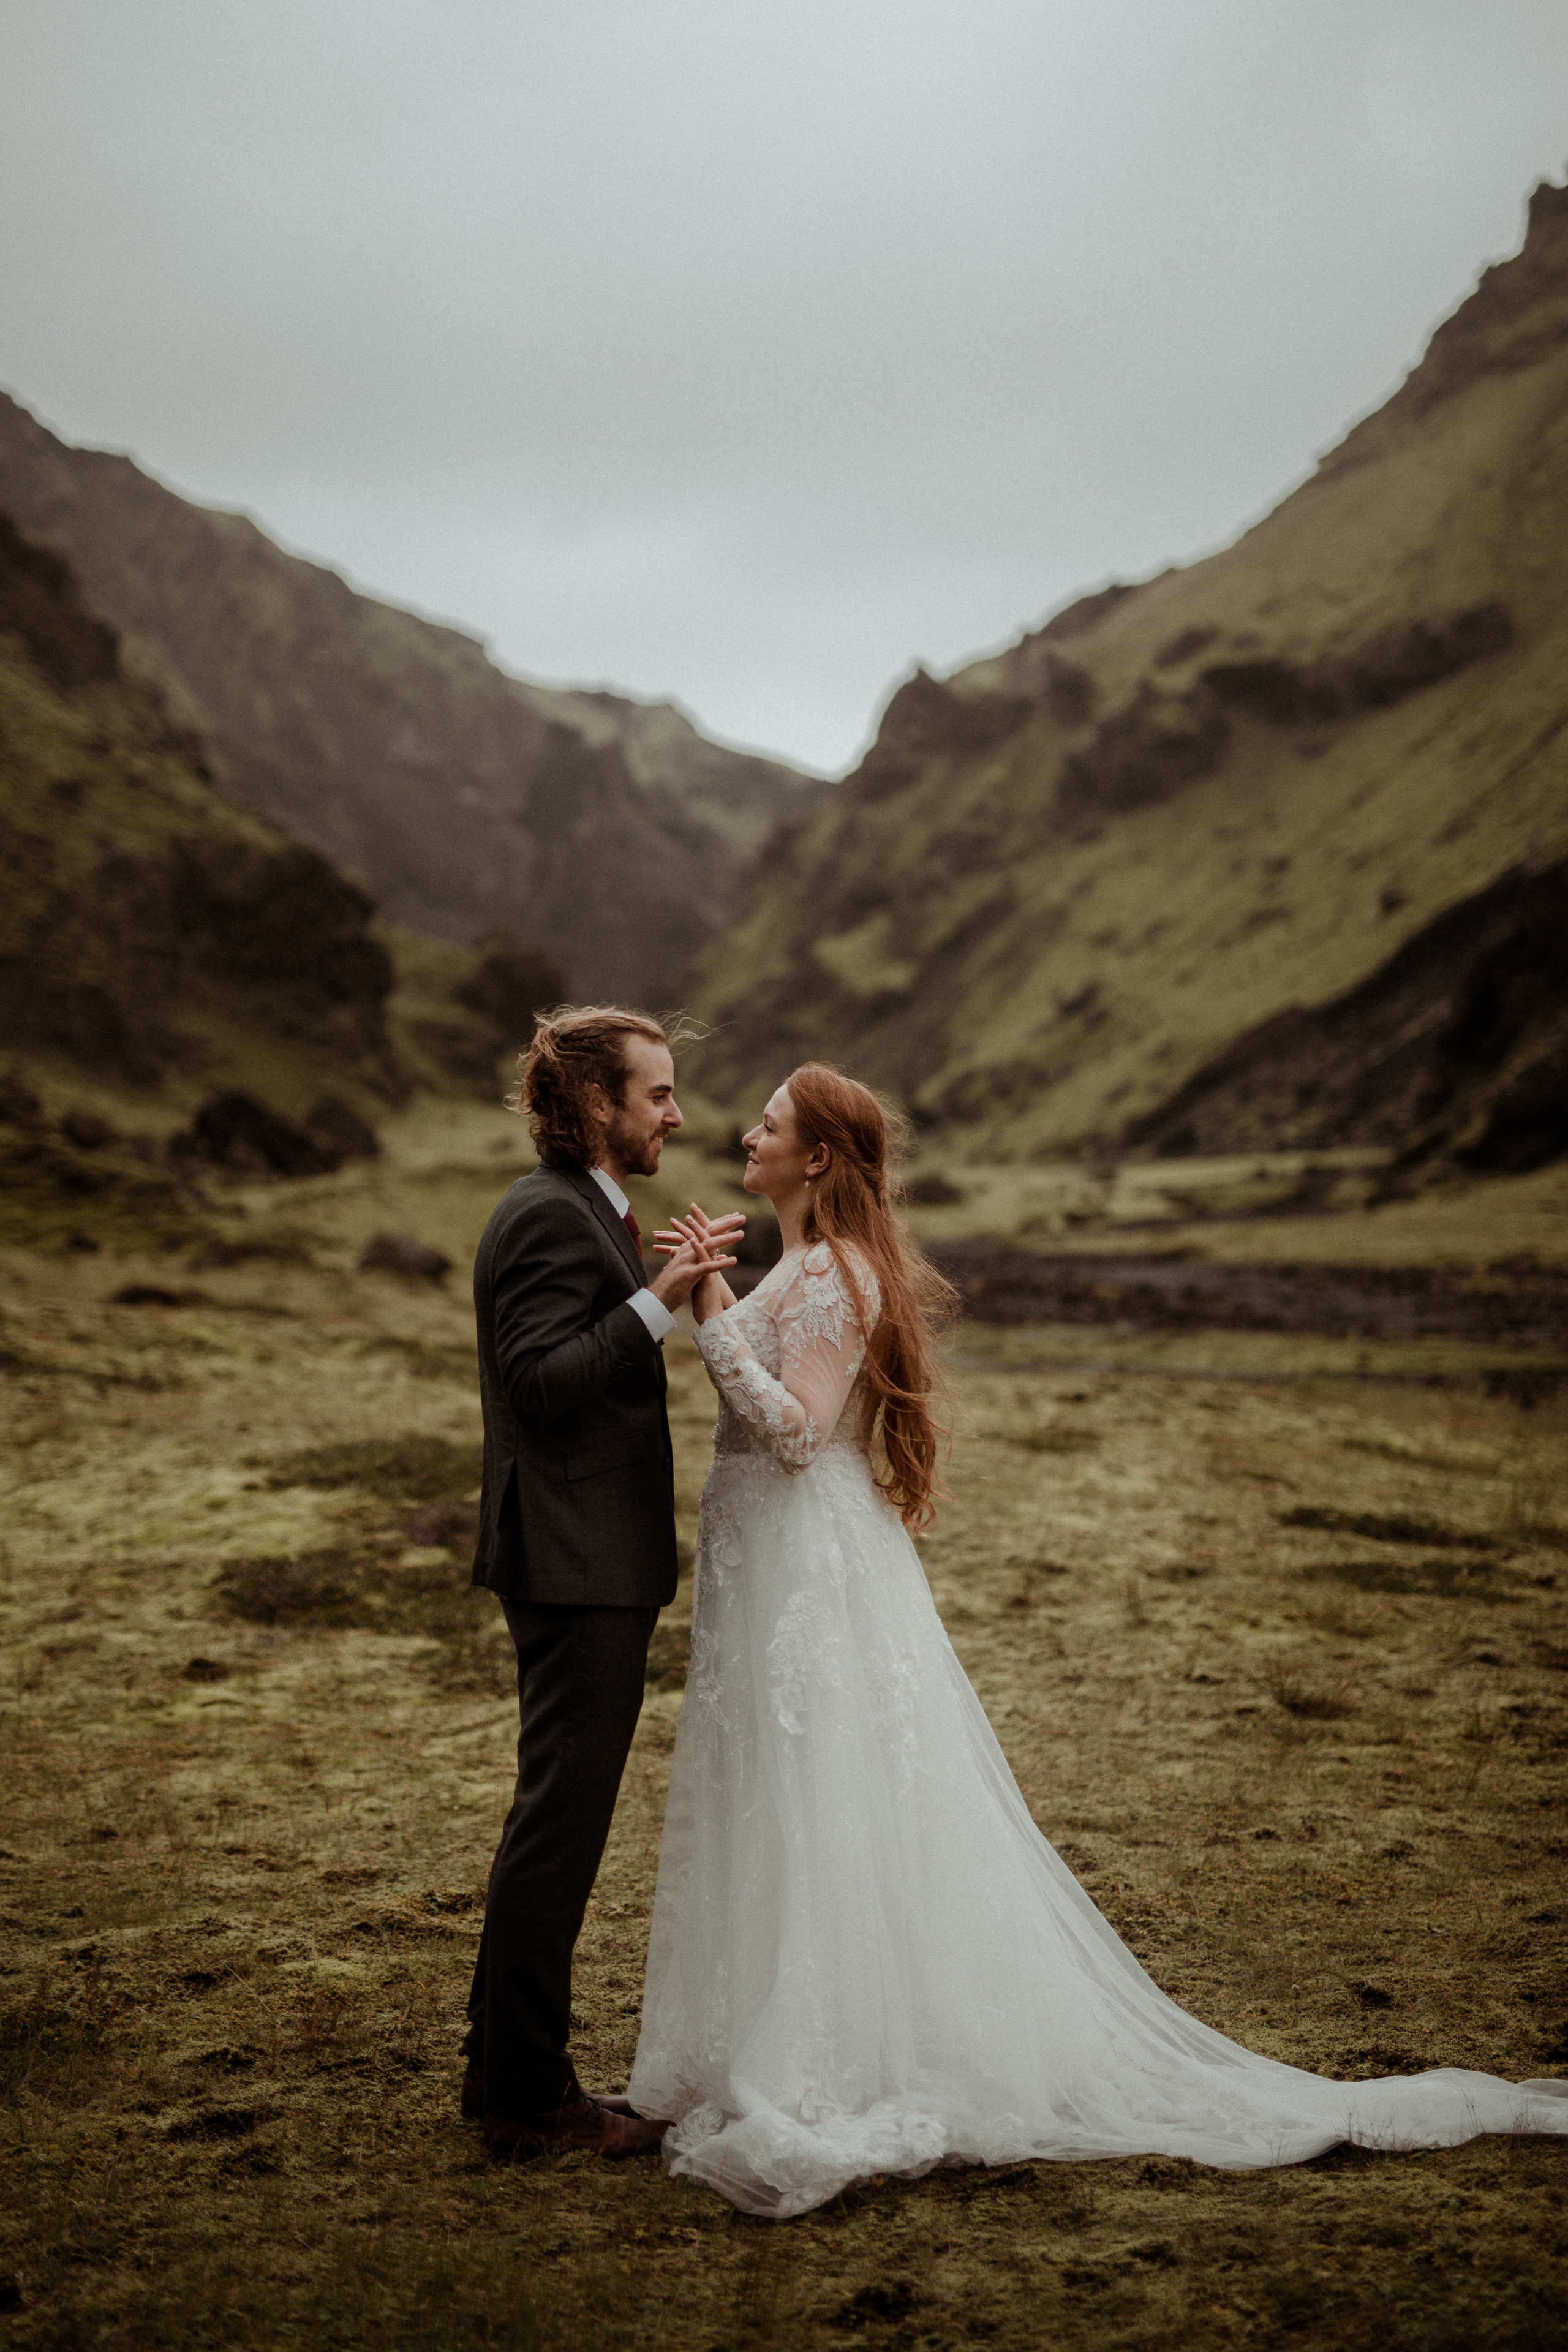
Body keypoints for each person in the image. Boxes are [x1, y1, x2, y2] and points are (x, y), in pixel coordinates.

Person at [626, 1062, 1568, 2218]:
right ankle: (770, 2032)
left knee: (825, 1789)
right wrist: (709, 1289)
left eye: (768, 1122)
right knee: (783, 1785)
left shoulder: (832, 1276)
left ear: (816, 1157)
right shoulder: (803, 1265)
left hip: (807, 1562)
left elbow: (795, 1434)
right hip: (772, 1565)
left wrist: (713, 1312)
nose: (747, 1132)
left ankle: (830, 2053)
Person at [462, 1005, 741, 2162]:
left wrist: (662, 1280)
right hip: (573, 1564)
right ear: (593, 1105)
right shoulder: (545, 1216)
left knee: (560, 1819)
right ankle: (525, 2096)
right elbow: (537, 1382)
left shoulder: (593, 1210)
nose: (675, 1114)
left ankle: (512, 2076)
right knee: (559, 1825)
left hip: (595, 1558)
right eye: (657, 1093)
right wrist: (660, 1300)